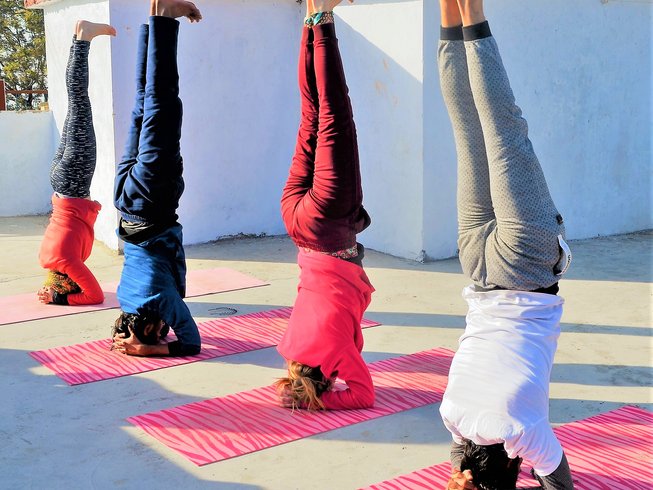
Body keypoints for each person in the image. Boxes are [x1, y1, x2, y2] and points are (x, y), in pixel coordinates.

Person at [436, 1, 574, 489]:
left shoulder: (524, 434)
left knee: (503, 129)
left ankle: (471, 10)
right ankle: (450, 13)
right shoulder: (452, 414)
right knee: (470, 134)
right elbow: (462, 458)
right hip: (476, 265)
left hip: (527, 263)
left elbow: (559, 481)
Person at [275, 0, 376, 410]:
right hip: (296, 224)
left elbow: (363, 395)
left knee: (335, 114)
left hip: (328, 225)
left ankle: (324, 18)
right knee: (311, 116)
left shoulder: (335, 354)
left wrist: (326, 401)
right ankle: (311, 17)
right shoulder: (292, 348)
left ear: (326, 378)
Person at [111, 0, 203, 357]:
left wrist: (153, 351)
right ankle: (152, 23)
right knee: (143, 105)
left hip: (152, 199)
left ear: (153, 329)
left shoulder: (162, 302)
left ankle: (162, 17)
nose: (169, 331)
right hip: (126, 202)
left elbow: (191, 342)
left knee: (163, 104)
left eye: (161, 333)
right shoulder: (126, 297)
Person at [37, 21, 116, 306]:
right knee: (75, 105)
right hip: (59, 186)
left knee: (80, 101)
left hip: (74, 182)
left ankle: (83, 39)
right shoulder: (46, 259)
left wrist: (60, 299)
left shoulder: (67, 262)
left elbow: (93, 296)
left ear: (68, 281)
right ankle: (77, 38)